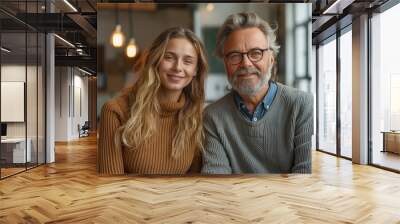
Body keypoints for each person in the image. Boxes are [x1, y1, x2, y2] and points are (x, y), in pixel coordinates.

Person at [201, 12, 313, 174]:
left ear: (271, 60)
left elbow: (305, 178)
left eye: (255, 53)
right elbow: (217, 182)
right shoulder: (212, 117)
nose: (246, 63)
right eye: (235, 56)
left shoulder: (303, 104)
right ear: (225, 63)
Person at [98, 27, 208, 174]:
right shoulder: (115, 111)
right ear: (155, 61)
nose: (178, 67)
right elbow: (111, 185)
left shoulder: (197, 116)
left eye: (188, 61)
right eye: (169, 57)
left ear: (196, 70)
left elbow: (194, 182)